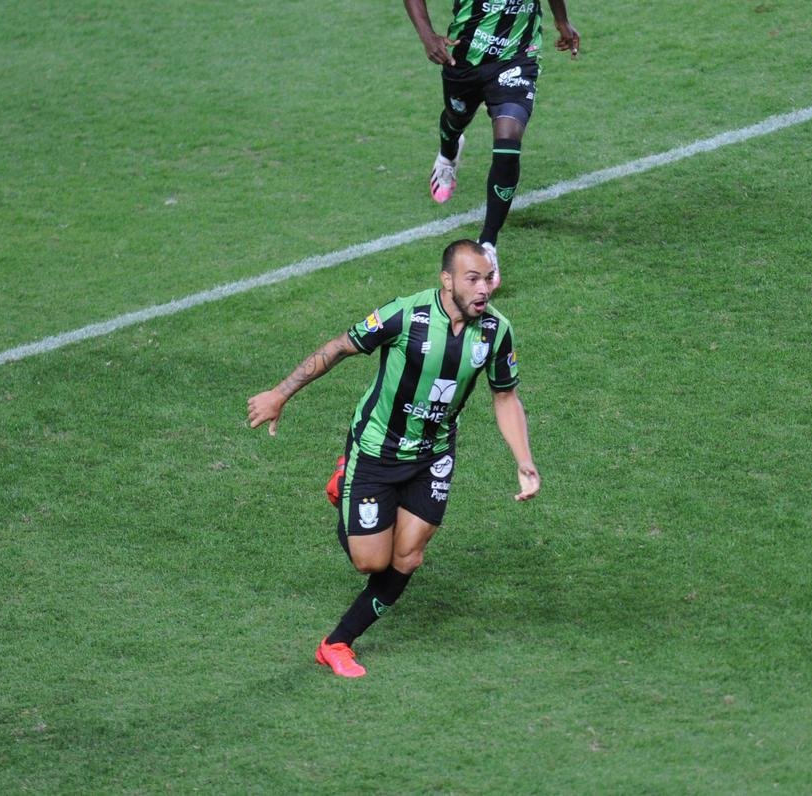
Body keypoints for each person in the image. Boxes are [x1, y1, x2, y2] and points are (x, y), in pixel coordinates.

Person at [247, 240, 540, 678]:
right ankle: (345, 485)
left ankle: (336, 643)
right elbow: (340, 347)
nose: (484, 289)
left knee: (408, 557)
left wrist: (524, 461)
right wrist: (279, 394)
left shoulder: (496, 331)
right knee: (371, 562)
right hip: (375, 450)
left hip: (433, 455)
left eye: (488, 278)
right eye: (473, 279)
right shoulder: (406, 315)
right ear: (447, 281)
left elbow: (505, 397)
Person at [404, 0, 581, 287]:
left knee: (509, 139)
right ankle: (448, 155)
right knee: (456, 116)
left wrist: (561, 21)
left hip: (517, 58)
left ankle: (487, 244)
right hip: (465, 56)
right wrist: (427, 36)